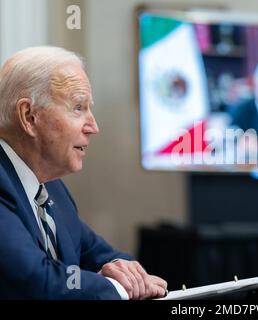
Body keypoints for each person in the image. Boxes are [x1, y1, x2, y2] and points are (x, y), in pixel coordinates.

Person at [0, 46, 167, 299]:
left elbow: (103, 255)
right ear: (29, 116)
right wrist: (118, 289)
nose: (94, 126)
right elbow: (35, 280)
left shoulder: (52, 188)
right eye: (78, 107)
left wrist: (127, 273)